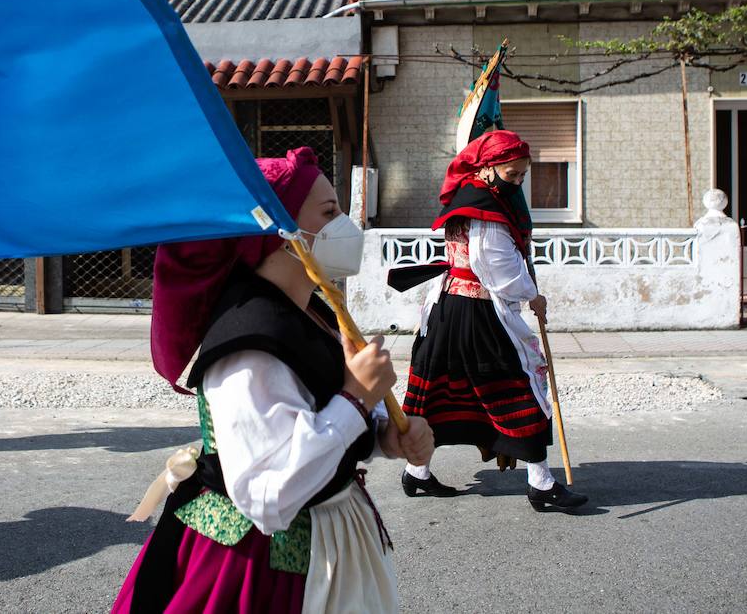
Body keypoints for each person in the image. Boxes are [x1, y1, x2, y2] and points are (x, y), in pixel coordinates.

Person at [114, 147, 434, 614]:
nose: (345, 226)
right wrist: (356, 398)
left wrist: (388, 436)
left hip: (329, 540)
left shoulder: (315, 309)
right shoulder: (250, 345)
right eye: (329, 213)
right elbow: (268, 497)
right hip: (260, 570)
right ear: (280, 234)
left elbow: (326, 412)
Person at [400, 130, 587, 512]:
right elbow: (498, 268)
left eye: (521, 175)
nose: (517, 182)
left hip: (447, 310)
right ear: (487, 168)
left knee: (440, 390)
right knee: (516, 388)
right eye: (513, 174)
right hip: (479, 315)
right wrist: (532, 294)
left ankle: (416, 471)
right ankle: (542, 484)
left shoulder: (466, 195)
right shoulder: (487, 209)